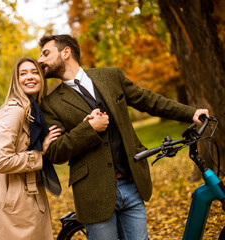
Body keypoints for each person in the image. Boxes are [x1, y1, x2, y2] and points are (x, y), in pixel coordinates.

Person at [38, 34, 209, 240]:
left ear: (66, 52)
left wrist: (190, 113)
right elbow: (55, 152)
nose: (40, 60)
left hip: (132, 183)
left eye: (46, 54)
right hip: (93, 193)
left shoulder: (110, 76)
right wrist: (89, 129)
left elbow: (147, 100)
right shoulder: (50, 104)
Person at [0, 57, 61, 240]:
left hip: (29, 194)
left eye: (34, 72)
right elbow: (0, 162)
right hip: (14, 200)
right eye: (23, 73)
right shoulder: (14, 110)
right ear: (16, 82)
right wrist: (39, 153)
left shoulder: (34, 110)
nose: (30, 77)